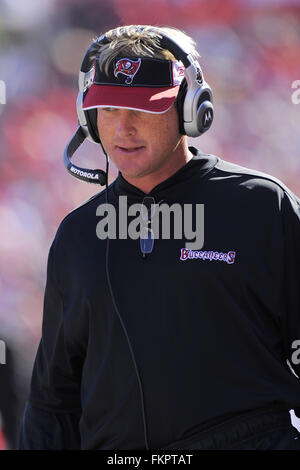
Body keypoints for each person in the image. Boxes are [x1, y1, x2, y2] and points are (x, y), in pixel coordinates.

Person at [19, 24, 300, 450]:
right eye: (108, 110)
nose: (122, 129)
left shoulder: (262, 206)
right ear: (87, 117)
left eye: (142, 109)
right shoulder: (76, 235)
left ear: (191, 109)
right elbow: (52, 401)